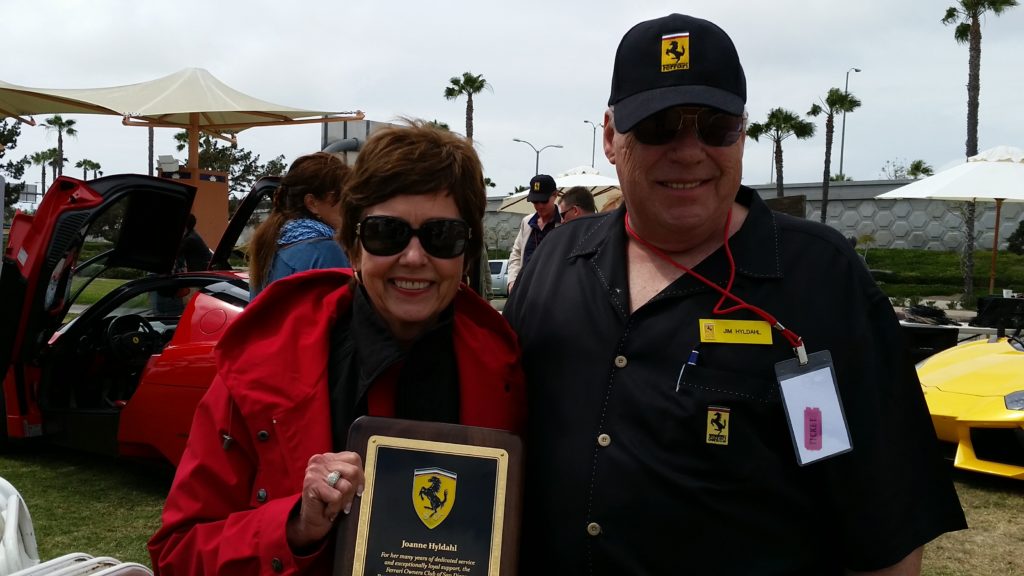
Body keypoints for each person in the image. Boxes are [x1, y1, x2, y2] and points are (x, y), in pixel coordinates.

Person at [504, 13, 965, 576]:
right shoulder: (557, 258)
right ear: (609, 136)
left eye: (715, 126)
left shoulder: (821, 278)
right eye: (659, 125)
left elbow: (885, 526)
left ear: (741, 132)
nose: (689, 150)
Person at [149, 121, 526, 574]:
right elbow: (177, 554)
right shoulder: (261, 365)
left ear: (466, 254)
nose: (413, 257)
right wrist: (294, 525)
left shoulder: (504, 372)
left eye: (441, 236)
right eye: (387, 232)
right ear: (352, 247)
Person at [248, 152, 352, 299]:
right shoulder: (326, 252)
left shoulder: (270, 245)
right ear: (312, 203)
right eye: (343, 197)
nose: (349, 206)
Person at [506, 174, 561, 294]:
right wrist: (512, 282)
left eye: (544, 201)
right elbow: (516, 254)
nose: (539, 206)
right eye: (535, 201)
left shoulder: (565, 222)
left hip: (554, 293)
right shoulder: (526, 222)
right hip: (525, 292)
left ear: (555, 195)